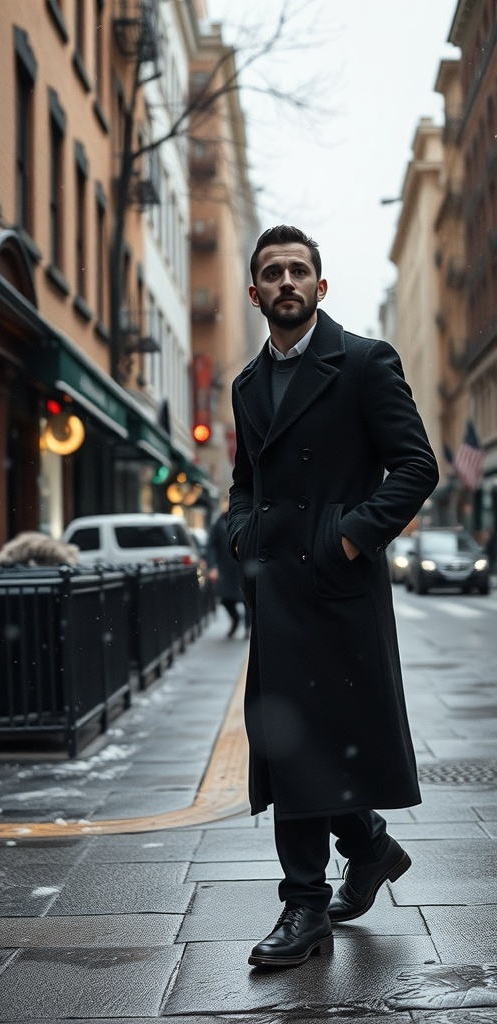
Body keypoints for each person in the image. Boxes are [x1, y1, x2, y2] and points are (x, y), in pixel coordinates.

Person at [227, 225, 439, 969]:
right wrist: (240, 529)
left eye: (299, 270)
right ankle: (361, 856)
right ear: (255, 293)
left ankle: (305, 904)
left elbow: (417, 466)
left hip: (337, 586)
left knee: (313, 739)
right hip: (276, 584)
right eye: (272, 273)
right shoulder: (247, 386)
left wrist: (349, 536)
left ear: (321, 285)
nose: (286, 281)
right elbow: (245, 479)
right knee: (290, 739)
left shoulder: (363, 362)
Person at [207, 497, 250, 638]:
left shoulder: (249, 517)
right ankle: (236, 619)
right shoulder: (220, 521)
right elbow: (211, 545)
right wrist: (212, 566)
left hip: (245, 567)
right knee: (225, 598)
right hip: (225, 568)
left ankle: (248, 627)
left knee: (248, 598)